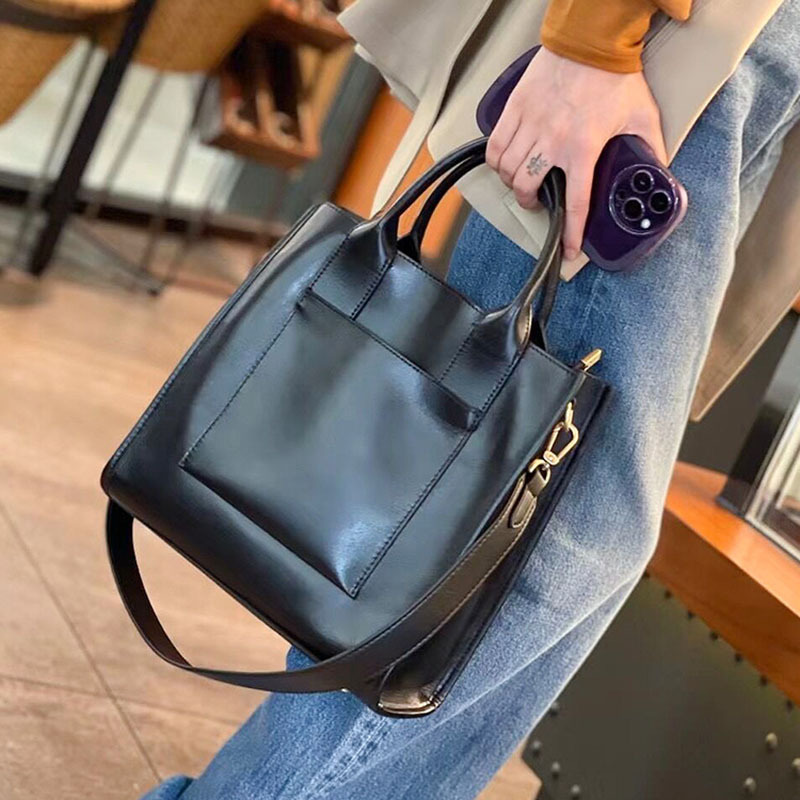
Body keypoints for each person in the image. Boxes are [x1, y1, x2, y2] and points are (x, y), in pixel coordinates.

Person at [143, 0, 800, 797]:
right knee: (514, 554)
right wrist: (593, 42)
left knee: (497, 542)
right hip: (679, 57)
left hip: (737, 64)